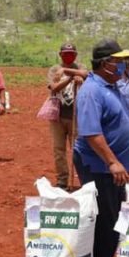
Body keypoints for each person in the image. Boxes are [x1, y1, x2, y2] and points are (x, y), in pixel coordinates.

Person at [72, 39, 129, 257]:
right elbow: (91, 133)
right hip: (98, 165)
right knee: (104, 215)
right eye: (118, 61)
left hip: (111, 165)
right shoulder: (91, 91)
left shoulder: (110, 86)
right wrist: (112, 162)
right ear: (104, 64)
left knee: (114, 212)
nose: (123, 65)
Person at [47, 43, 88, 189]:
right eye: (65, 54)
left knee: (78, 149)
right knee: (59, 150)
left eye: (71, 54)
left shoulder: (80, 67)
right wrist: (70, 79)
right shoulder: (54, 70)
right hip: (58, 116)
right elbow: (54, 87)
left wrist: (69, 72)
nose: (68, 56)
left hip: (76, 116)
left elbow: (85, 74)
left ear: (75, 55)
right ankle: (62, 180)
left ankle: (83, 178)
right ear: (60, 55)